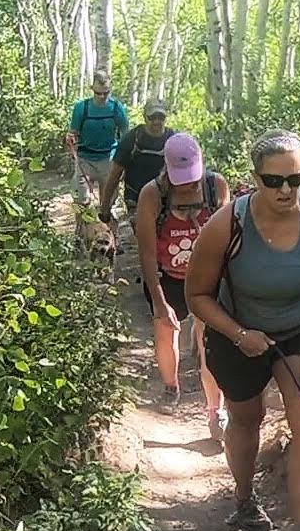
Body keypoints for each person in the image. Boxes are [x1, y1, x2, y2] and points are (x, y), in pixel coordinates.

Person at [185, 130, 300, 531]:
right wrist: (240, 334)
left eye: (295, 180)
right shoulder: (226, 225)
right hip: (236, 334)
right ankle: (244, 498)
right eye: (273, 180)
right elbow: (196, 294)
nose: (285, 190)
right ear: (255, 178)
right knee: (245, 417)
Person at [135, 133, 230, 438]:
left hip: (206, 277)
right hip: (167, 277)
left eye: (192, 178)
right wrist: (160, 302)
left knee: (210, 342)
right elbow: (147, 253)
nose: (188, 185)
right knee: (166, 330)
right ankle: (170, 387)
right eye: (181, 180)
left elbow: (227, 240)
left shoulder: (216, 187)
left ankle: (217, 411)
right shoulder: (152, 196)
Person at [99, 97, 176, 231]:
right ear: (144, 117)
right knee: (144, 234)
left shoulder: (174, 139)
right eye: (152, 117)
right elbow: (114, 175)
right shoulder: (131, 139)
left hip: (166, 199)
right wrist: (105, 209)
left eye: (161, 117)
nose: (157, 121)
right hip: (136, 198)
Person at [66, 70, 128, 206]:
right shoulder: (81, 108)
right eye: (98, 93)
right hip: (84, 159)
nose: (101, 96)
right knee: (81, 202)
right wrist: (70, 138)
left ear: (110, 90)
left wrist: (123, 164)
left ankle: (106, 225)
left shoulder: (117, 108)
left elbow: (125, 136)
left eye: (105, 93)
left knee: (108, 203)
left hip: (108, 160)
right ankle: (82, 226)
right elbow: (73, 132)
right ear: (92, 89)